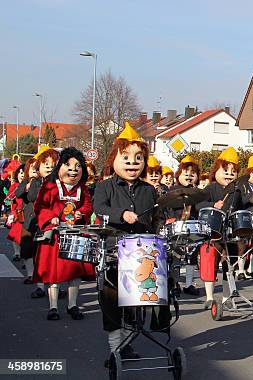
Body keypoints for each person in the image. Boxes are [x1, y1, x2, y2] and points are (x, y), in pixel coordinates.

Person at [94, 122, 159, 367]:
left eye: (138, 158)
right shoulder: (105, 186)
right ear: (115, 159)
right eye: (126, 158)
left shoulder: (149, 190)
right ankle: (114, 351)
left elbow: (155, 218)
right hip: (114, 251)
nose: (132, 163)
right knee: (112, 303)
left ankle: (127, 343)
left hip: (142, 252)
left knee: (137, 303)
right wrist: (120, 214)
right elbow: (99, 208)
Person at [33, 147, 95, 320]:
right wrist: (51, 217)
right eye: (68, 165)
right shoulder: (50, 186)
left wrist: (81, 212)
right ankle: (53, 307)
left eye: (77, 166)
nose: (73, 170)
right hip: (54, 236)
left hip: (75, 234)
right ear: (59, 167)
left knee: (75, 273)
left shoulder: (82, 189)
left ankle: (72, 305)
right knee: (53, 273)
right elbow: (40, 206)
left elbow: (88, 206)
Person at [197, 147, 241, 310]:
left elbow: (242, 207)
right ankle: (209, 297)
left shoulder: (236, 191)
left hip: (230, 233)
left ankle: (226, 297)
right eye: (225, 170)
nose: (229, 174)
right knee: (210, 264)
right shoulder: (210, 188)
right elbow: (198, 204)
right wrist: (212, 205)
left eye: (233, 171)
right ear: (216, 171)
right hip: (212, 232)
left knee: (229, 266)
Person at [15, 147, 59, 298]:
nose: (49, 167)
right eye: (45, 164)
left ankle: (55, 286)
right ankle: (39, 284)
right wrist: (32, 183)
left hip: (51, 224)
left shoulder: (59, 183)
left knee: (52, 257)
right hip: (32, 221)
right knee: (30, 252)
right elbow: (29, 196)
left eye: (52, 164)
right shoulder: (34, 182)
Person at [168, 155, 201, 296]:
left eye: (192, 173)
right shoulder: (173, 191)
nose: (189, 175)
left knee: (192, 256)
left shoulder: (198, 192)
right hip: (177, 225)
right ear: (178, 175)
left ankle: (188, 284)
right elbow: (167, 207)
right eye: (185, 173)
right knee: (175, 255)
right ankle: (174, 284)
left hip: (191, 226)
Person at [6, 164, 25, 262]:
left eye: (24, 173)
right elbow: (9, 198)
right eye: (21, 173)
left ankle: (24, 254)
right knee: (15, 234)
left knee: (25, 236)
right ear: (17, 174)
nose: (22, 175)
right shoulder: (15, 186)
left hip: (28, 213)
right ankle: (17, 253)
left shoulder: (31, 184)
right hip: (17, 213)